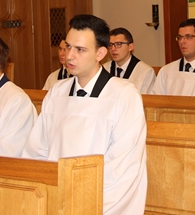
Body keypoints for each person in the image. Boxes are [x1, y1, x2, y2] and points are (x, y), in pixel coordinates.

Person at [23, 14, 147, 215]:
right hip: (54, 200)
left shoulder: (123, 95)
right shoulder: (57, 91)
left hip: (98, 203)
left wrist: (83, 206)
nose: (69, 56)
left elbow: (123, 167)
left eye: (80, 49)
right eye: (68, 47)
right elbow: (37, 150)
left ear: (101, 53)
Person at [103, 27, 155, 94]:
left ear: (130, 47)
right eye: (110, 45)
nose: (113, 49)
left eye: (118, 44)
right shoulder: (103, 69)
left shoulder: (145, 72)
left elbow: (147, 99)